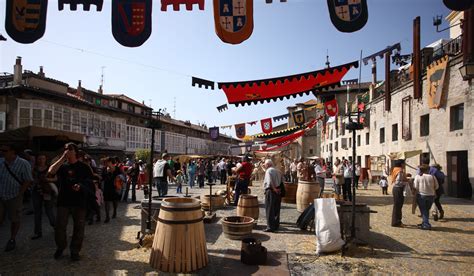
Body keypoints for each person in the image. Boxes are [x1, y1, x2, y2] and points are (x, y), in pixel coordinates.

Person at [48, 143, 93, 261]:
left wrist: (81, 186)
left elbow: (90, 182)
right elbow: (50, 172)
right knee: (59, 227)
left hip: (79, 202)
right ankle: (61, 247)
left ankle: (74, 251)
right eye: (65, 149)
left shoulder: (84, 167)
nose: (67, 151)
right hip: (64, 201)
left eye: (70, 149)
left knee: (79, 227)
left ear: (76, 152)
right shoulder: (62, 166)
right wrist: (62, 158)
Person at [0, 144, 33, 252]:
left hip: (14, 196)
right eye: (2, 150)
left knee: (15, 219)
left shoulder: (23, 163)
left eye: (5, 150)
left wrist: (20, 194)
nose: (2, 152)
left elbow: (28, 180)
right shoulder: (1, 162)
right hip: (1, 195)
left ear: (13, 151)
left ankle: (12, 239)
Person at [31, 154, 56, 240]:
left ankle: (55, 227)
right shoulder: (34, 168)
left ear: (46, 159)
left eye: (43, 159)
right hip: (36, 192)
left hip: (47, 191)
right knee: (37, 212)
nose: (41, 160)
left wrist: (47, 180)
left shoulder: (50, 168)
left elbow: (55, 178)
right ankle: (37, 232)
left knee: (49, 211)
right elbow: (31, 178)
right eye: (40, 159)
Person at [414, 164, 439, 230]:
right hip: (431, 195)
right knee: (426, 210)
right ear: (428, 170)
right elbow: (437, 186)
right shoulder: (432, 177)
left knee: (423, 210)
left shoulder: (418, 177)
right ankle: (424, 222)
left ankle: (426, 224)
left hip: (421, 195)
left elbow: (415, 186)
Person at [262, 159, 283, 232]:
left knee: (270, 209)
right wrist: (278, 189)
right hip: (278, 191)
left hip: (271, 191)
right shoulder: (277, 170)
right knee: (276, 209)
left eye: (265, 164)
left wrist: (274, 189)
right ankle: (276, 225)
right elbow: (282, 180)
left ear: (268, 164)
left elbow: (269, 181)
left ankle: (270, 227)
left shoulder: (269, 171)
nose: (264, 165)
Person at [390, 159, 409, 227]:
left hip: (396, 189)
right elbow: (398, 182)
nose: (404, 165)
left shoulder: (395, 169)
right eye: (404, 163)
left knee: (397, 206)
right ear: (401, 164)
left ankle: (396, 221)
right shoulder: (400, 171)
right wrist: (406, 182)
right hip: (398, 189)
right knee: (398, 206)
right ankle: (397, 222)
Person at [102, 157, 121, 223]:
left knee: (114, 201)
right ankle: (107, 217)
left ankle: (115, 211)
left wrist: (119, 178)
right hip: (107, 187)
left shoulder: (117, 169)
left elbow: (122, 176)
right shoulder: (104, 169)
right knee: (106, 202)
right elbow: (102, 178)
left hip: (115, 187)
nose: (106, 163)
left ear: (110, 162)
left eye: (107, 162)